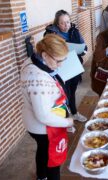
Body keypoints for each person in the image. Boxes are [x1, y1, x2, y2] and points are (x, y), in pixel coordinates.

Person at [21, 34, 74, 180]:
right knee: (53, 161)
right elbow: (43, 115)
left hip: (35, 123)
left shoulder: (34, 60)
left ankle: (41, 176)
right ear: (45, 55)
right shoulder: (37, 77)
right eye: (58, 61)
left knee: (43, 150)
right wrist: (68, 122)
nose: (60, 65)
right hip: (43, 127)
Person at [45, 10, 87, 122]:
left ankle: (74, 113)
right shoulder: (51, 34)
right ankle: (64, 119)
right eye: (63, 23)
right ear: (57, 24)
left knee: (72, 92)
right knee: (63, 95)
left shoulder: (74, 31)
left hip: (74, 68)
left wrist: (82, 50)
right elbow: (47, 51)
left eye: (68, 22)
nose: (66, 25)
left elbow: (84, 46)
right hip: (60, 70)